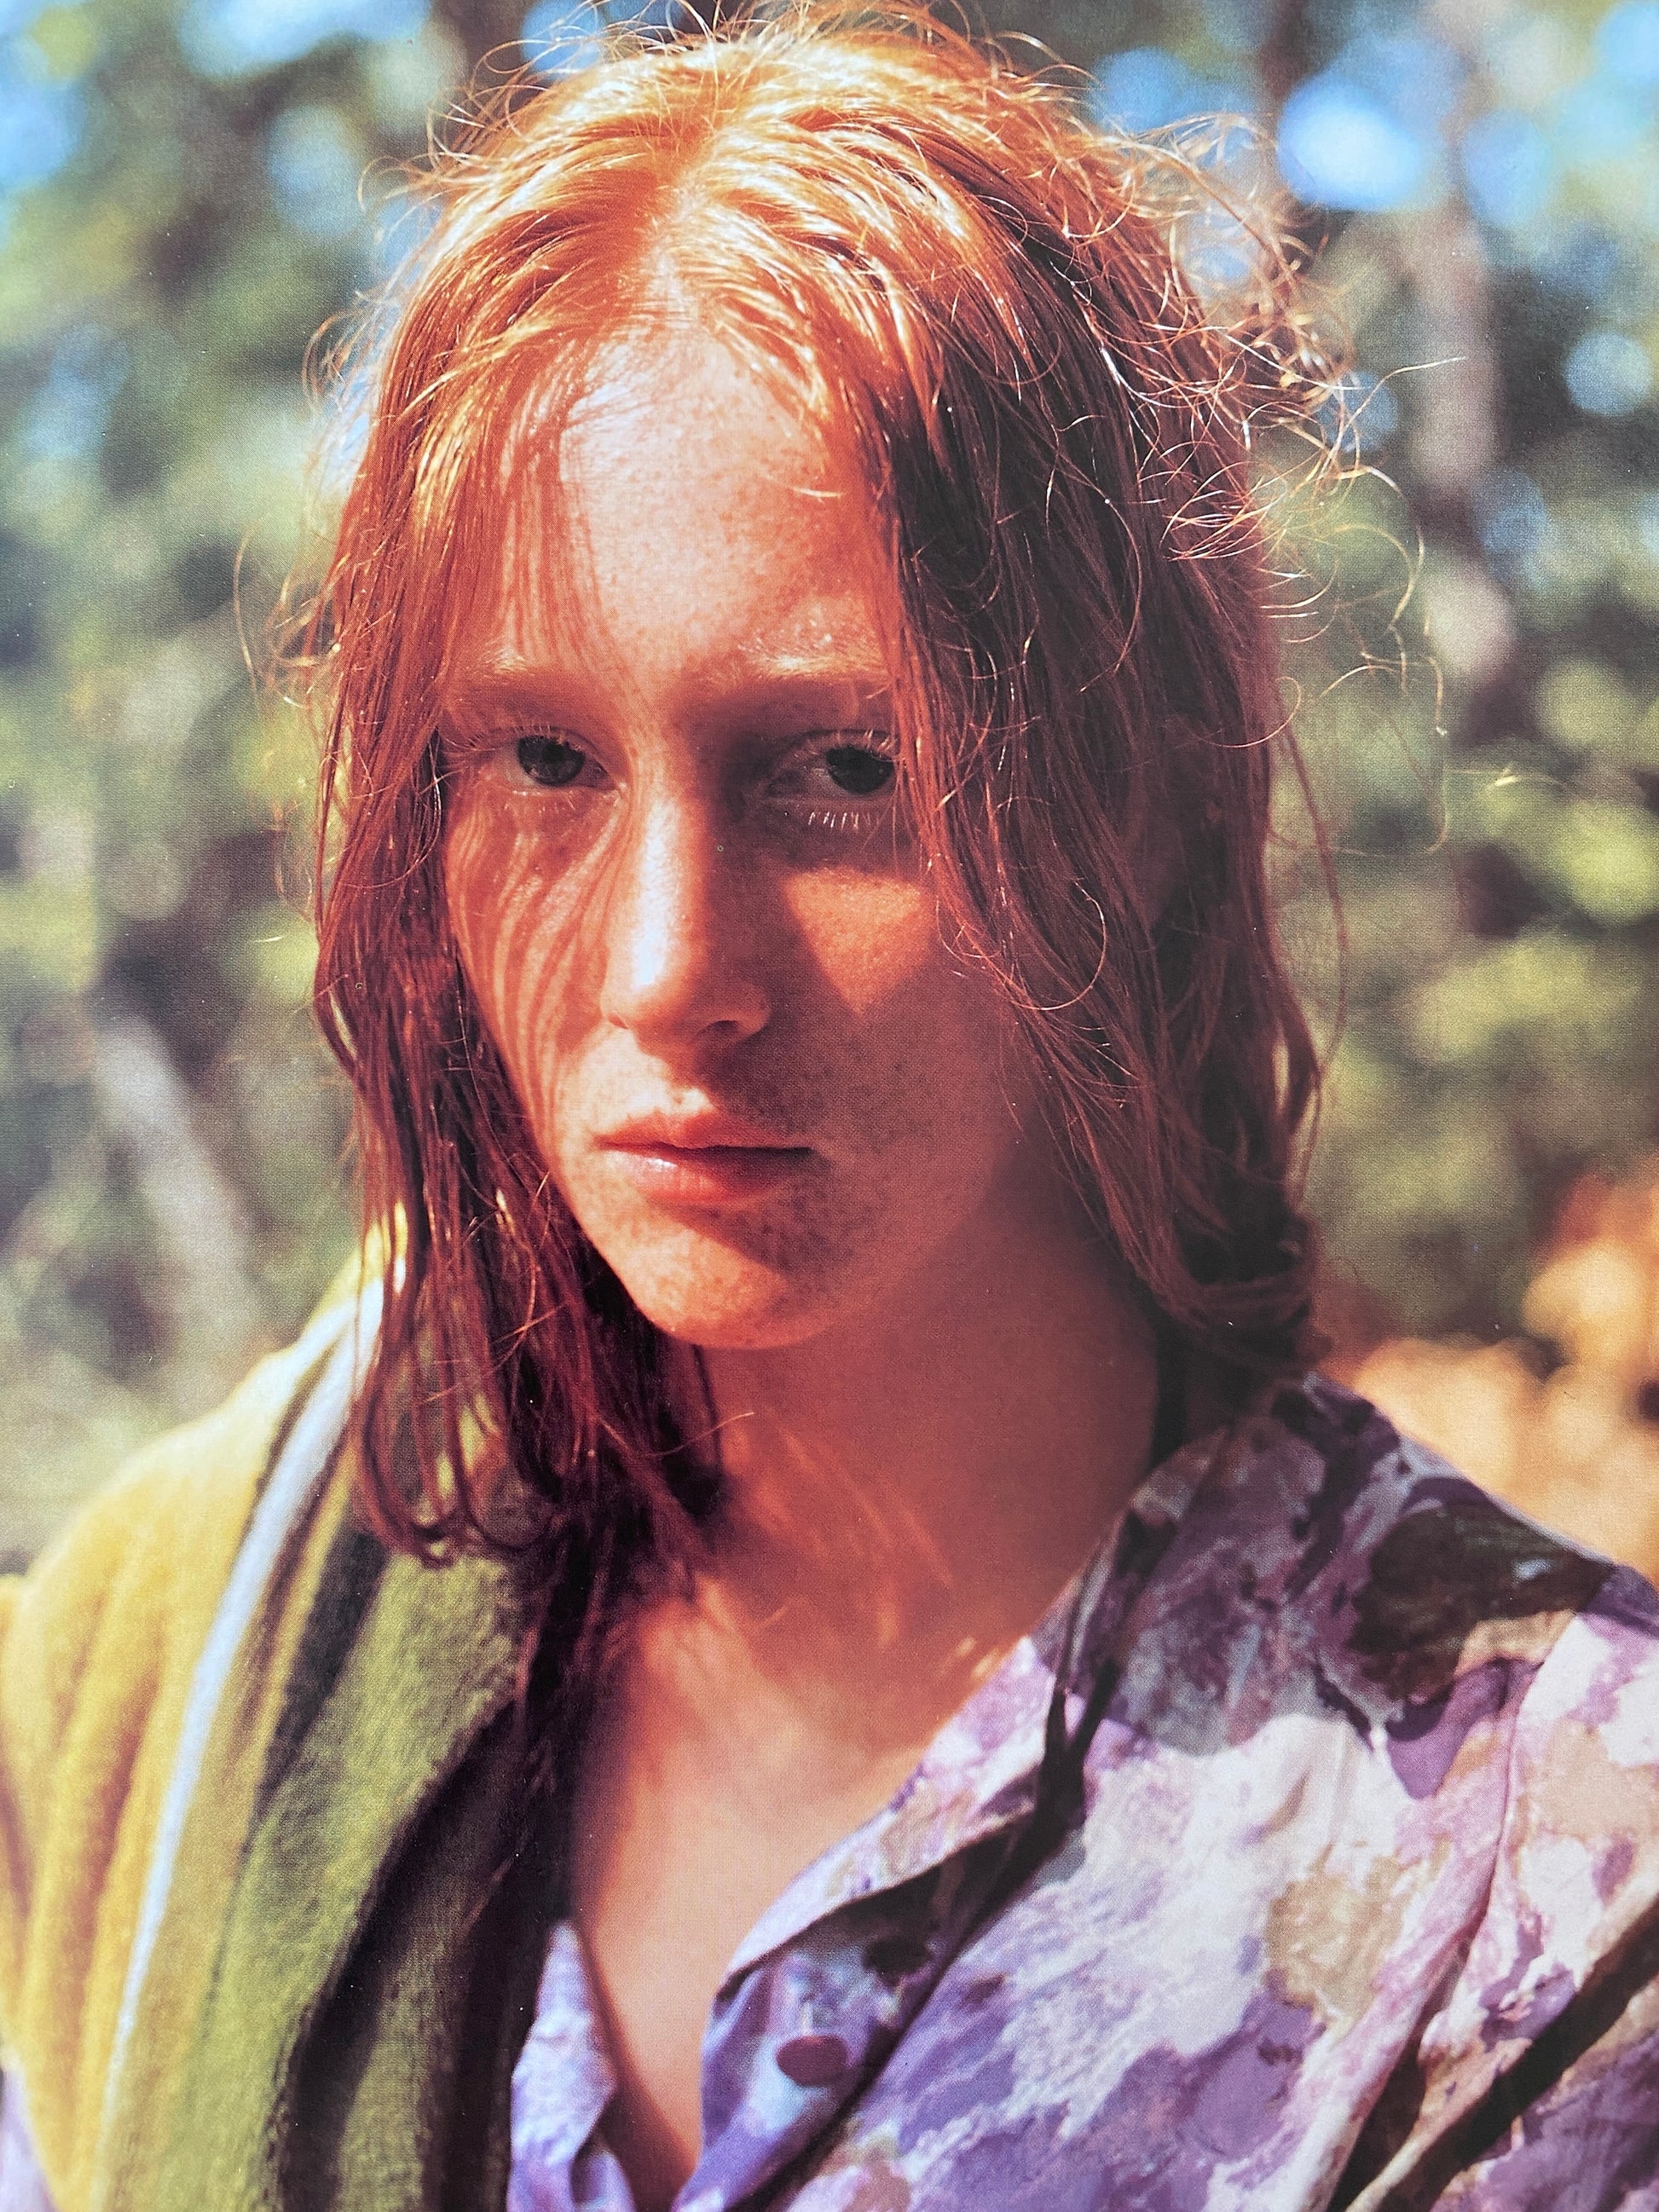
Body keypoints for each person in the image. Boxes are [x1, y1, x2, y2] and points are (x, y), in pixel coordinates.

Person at [3, 7, 1658, 2209]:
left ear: (1139, 800)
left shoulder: (1535, 1877)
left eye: (845, 770)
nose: (666, 968)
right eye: (543, 762)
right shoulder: (208, 1641)